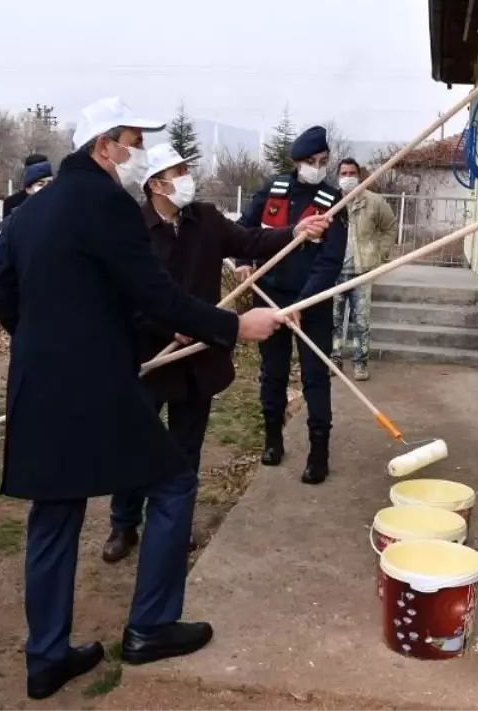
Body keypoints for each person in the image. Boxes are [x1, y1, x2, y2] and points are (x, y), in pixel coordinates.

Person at [0, 97, 287, 700]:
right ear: (103, 146)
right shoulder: (107, 205)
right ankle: (150, 626)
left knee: (55, 512)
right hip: (95, 382)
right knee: (174, 480)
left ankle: (45, 657)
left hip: (38, 382)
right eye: (132, 140)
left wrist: (86, 327)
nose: (139, 154)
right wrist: (235, 327)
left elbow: (10, 303)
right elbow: (155, 291)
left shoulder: (28, 213)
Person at [102, 144, 331, 564]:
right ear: (155, 184)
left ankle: (173, 522)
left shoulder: (204, 219)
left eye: (188, 168)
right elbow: (120, 293)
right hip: (150, 356)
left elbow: (252, 239)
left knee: (186, 447)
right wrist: (166, 324)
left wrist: (296, 233)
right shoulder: (131, 227)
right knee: (136, 443)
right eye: (179, 171)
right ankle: (124, 523)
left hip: (198, 358)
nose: (187, 177)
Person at [236, 126, 347, 484]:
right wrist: (241, 260)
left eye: (323, 161)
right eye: (311, 161)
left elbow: (329, 263)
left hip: (311, 303)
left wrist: (302, 303)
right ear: (296, 162)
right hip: (268, 297)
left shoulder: (333, 203)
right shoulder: (274, 189)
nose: (317, 167)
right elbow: (245, 229)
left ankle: (319, 453)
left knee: (315, 377)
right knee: (273, 372)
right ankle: (273, 439)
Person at [331, 158, 396, 381]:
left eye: (352, 173)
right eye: (344, 173)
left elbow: (389, 227)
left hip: (362, 270)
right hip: (335, 272)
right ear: (338, 175)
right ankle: (334, 360)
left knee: (361, 322)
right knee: (334, 320)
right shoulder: (331, 201)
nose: (348, 177)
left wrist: (381, 255)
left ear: (359, 176)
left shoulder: (374, 202)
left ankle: (360, 363)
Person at [2, 154, 53, 219]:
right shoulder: (11, 203)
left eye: (49, 183)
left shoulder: (56, 202)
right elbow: (6, 227)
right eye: (40, 184)